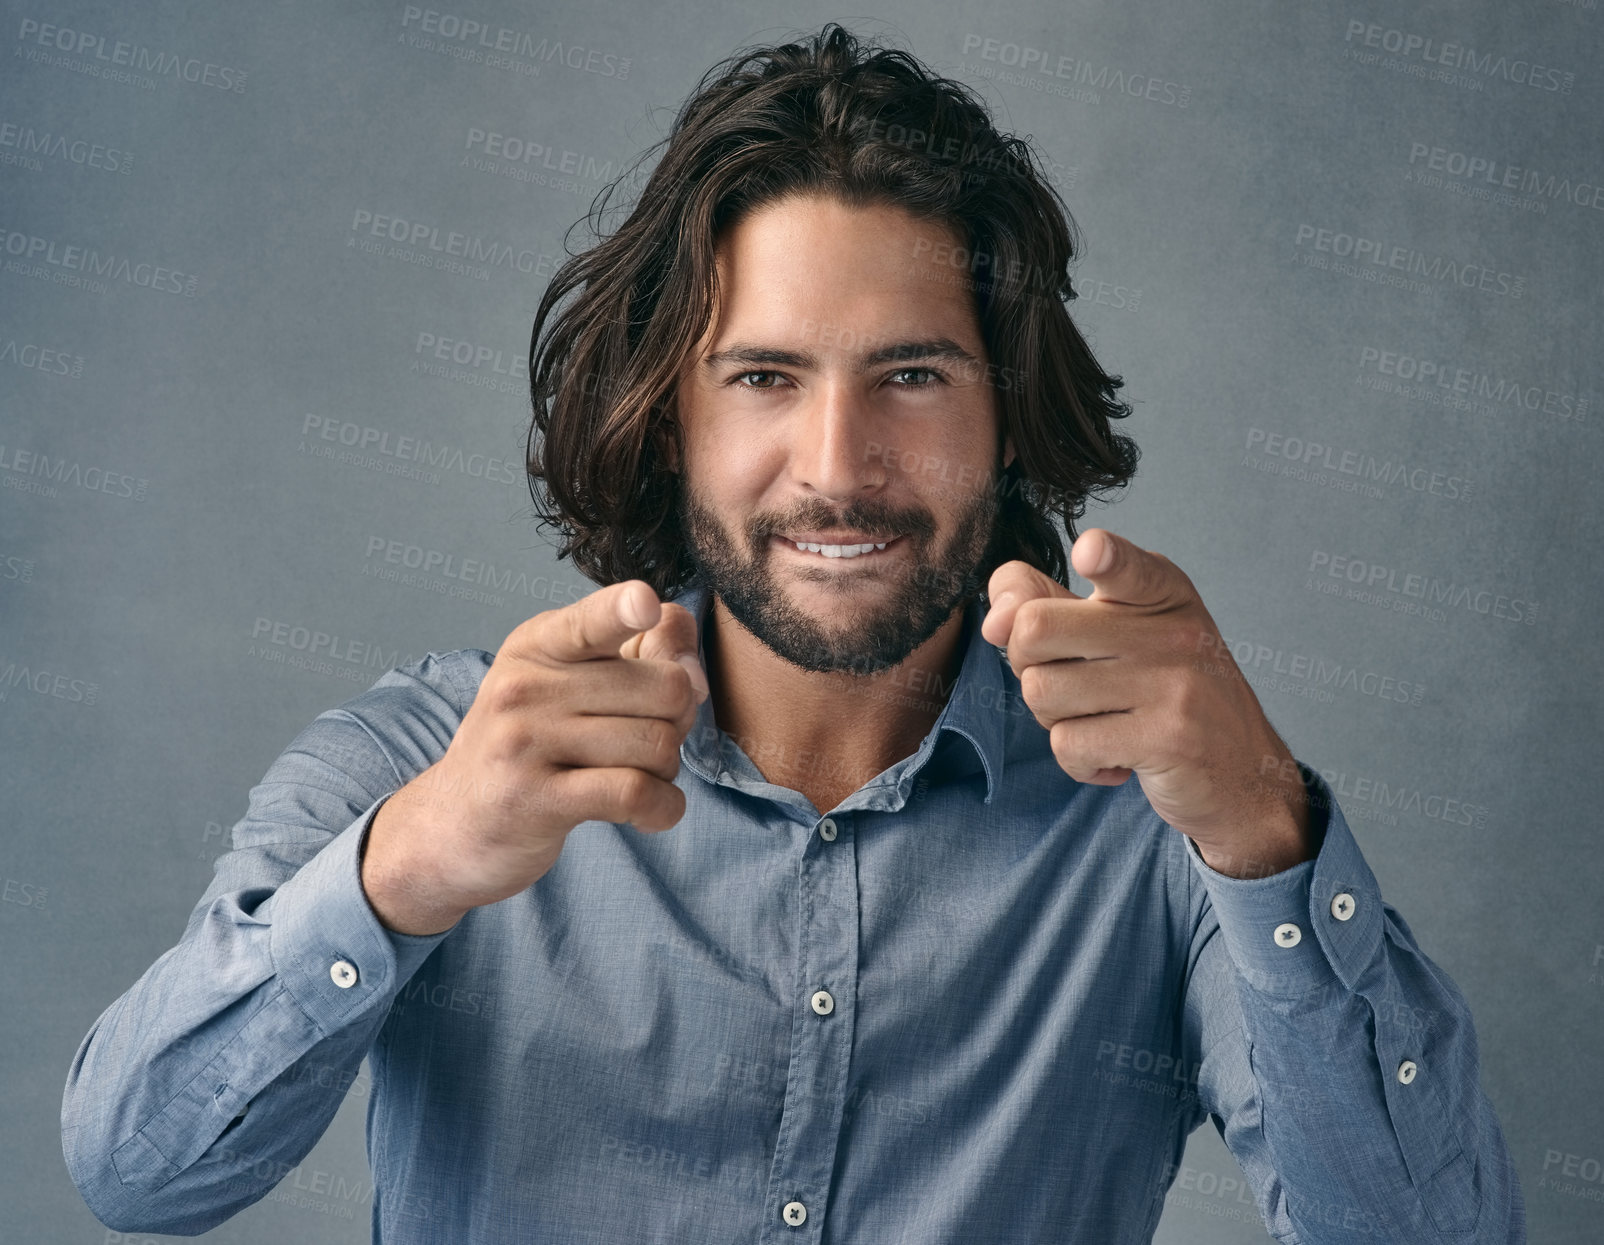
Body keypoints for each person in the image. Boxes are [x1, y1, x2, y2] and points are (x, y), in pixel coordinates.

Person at [61, 23, 1523, 1243]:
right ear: (668, 415)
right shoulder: (421, 758)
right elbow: (138, 1166)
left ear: (1009, 413)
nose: (837, 461)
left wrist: (1265, 826)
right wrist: (407, 869)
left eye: (913, 374)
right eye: (763, 374)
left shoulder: (1158, 823)